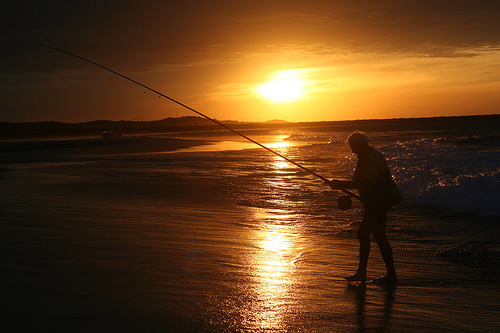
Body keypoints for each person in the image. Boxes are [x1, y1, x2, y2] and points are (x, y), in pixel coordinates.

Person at [329, 132, 403, 284]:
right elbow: (358, 182)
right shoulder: (364, 158)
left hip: (380, 202)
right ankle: (389, 275)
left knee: (364, 233)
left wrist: (341, 185)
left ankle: (365, 273)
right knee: (379, 237)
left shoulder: (373, 157)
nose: (352, 151)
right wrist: (343, 190)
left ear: (363, 144)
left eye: (354, 147)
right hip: (373, 203)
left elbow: (366, 183)